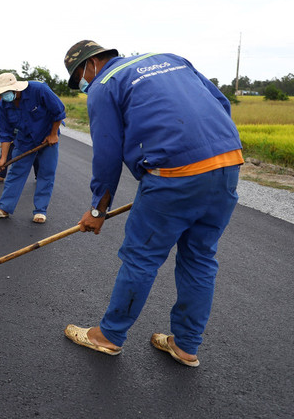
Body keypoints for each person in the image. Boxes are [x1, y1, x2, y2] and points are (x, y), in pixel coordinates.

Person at [61, 40, 243, 367]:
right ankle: (185, 345)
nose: (83, 85)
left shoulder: (104, 84)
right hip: (227, 163)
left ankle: (108, 336)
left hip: (174, 176)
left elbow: (107, 154)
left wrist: (98, 210)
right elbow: (221, 103)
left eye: (79, 79)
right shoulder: (170, 58)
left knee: (141, 258)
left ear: (90, 64)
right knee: (200, 258)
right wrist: (208, 153)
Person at [0, 73, 64, 223]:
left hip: (47, 138)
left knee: (46, 173)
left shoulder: (39, 90)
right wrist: (3, 159)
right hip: (24, 140)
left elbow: (59, 110)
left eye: (7, 92)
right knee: (16, 172)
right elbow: (6, 133)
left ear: (16, 88)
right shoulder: (5, 104)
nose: (4, 96)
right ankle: (4, 208)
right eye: (2, 93)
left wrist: (53, 134)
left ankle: (40, 211)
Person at [0, 94, 40, 182]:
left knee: (34, 154)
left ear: (0, 98)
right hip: (11, 136)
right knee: (5, 153)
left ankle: (40, 176)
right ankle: (0, 175)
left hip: (28, 133)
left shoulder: (20, 102)